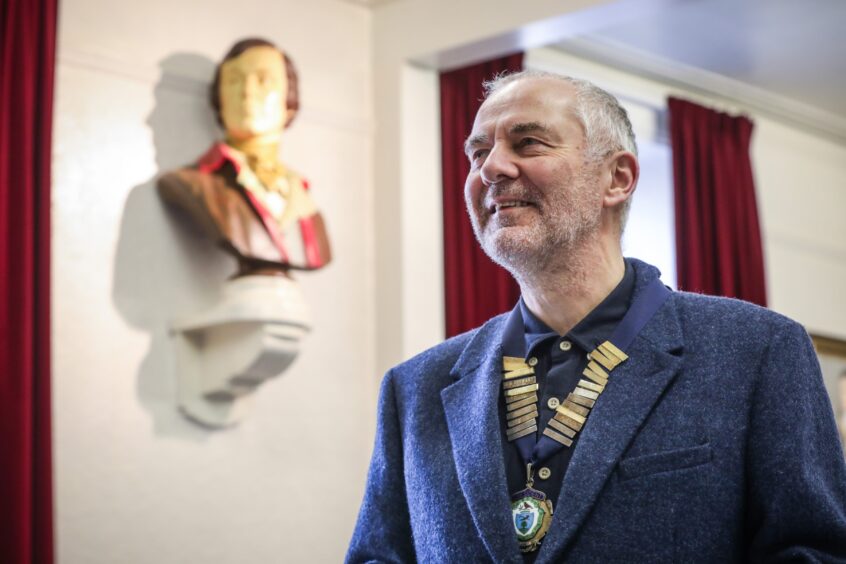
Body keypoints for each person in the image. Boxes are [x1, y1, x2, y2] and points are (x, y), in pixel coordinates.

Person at [347, 71, 846, 563]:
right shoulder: (414, 389)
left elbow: (814, 552)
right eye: (478, 153)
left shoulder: (756, 351)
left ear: (617, 178)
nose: (491, 168)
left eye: (529, 143)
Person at [158, 38, 331, 277]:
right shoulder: (191, 183)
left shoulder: (301, 190)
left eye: (263, 80)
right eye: (234, 81)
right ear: (219, 100)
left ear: (288, 101)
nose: (247, 93)